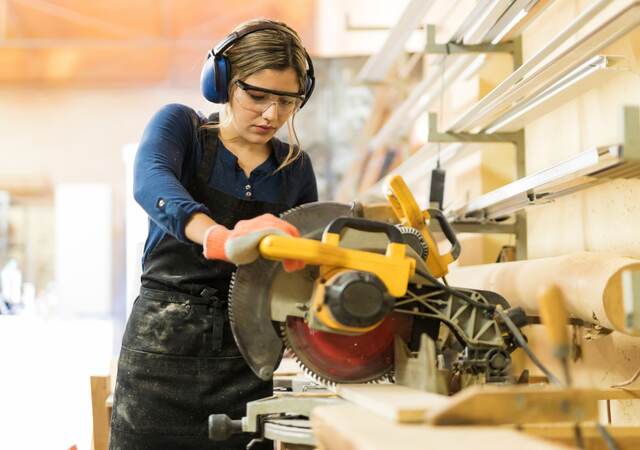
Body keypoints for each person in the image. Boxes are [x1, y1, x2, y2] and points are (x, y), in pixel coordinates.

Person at [109, 18, 318, 450]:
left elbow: (302, 266)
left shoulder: (294, 167)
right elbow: (151, 181)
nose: (271, 115)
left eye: (287, 101)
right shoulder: (182, 129)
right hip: (160, 353)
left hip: (245, 359)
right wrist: (217, 237)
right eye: (257, 96)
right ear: (223, 83)